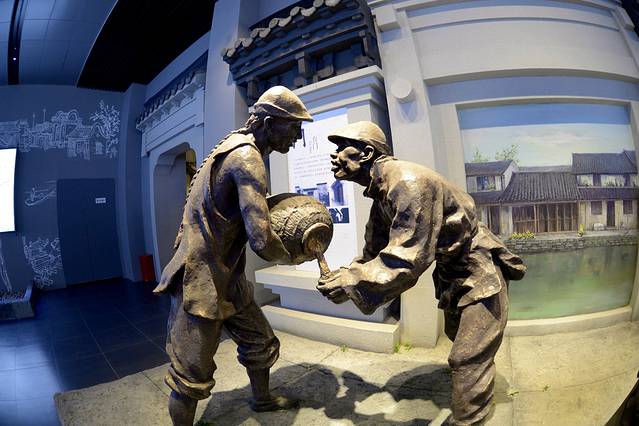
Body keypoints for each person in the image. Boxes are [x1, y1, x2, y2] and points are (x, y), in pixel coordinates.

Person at [316, 121, 526, 425]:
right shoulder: (382, 195)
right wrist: (346, 278)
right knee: (458, 338)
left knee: (467, 355)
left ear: (367, 153)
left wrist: (351, 281)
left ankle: (468, 420)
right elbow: (374, 252)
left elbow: (408, 258)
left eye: (341, 148)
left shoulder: (407, 183)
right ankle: (473, 391)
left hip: (479, 268)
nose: (334, 155)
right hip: (452, 272)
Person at [153, 86, 313, 425]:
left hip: (226, 274)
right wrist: (296, 257)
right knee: (189, 376)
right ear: (268, 124)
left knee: (260, 342)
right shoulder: (247, 158)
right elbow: (260, 238)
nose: (297, 137)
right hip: (201, 279)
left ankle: (263, 400)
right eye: (293, 127)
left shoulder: (232, 145)